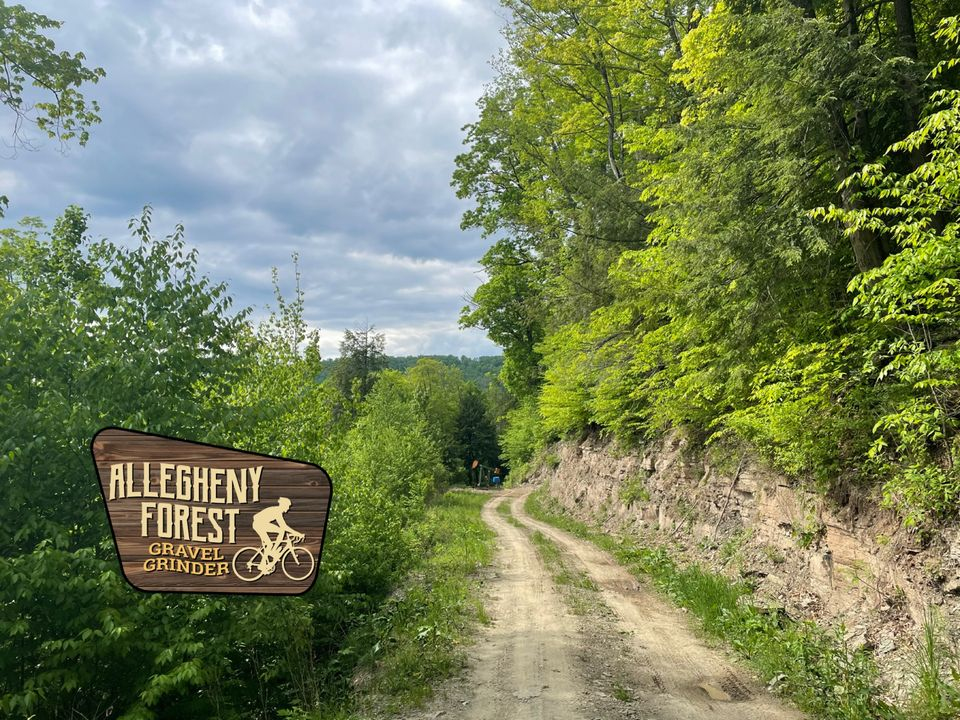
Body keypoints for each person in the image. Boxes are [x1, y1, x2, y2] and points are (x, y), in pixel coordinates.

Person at [251, 497, 304, 573]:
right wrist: (297, 533)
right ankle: (263, 563)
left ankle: (272, 550)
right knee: (271, 542)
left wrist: (294, 533)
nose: (288, 508)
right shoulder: (277, 511)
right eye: (288, 506)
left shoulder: (277, 510)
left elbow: (283, 526)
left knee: (280, 532)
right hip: (259, 523)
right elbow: (284, 526)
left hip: (261, 523)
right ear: (284, 505)